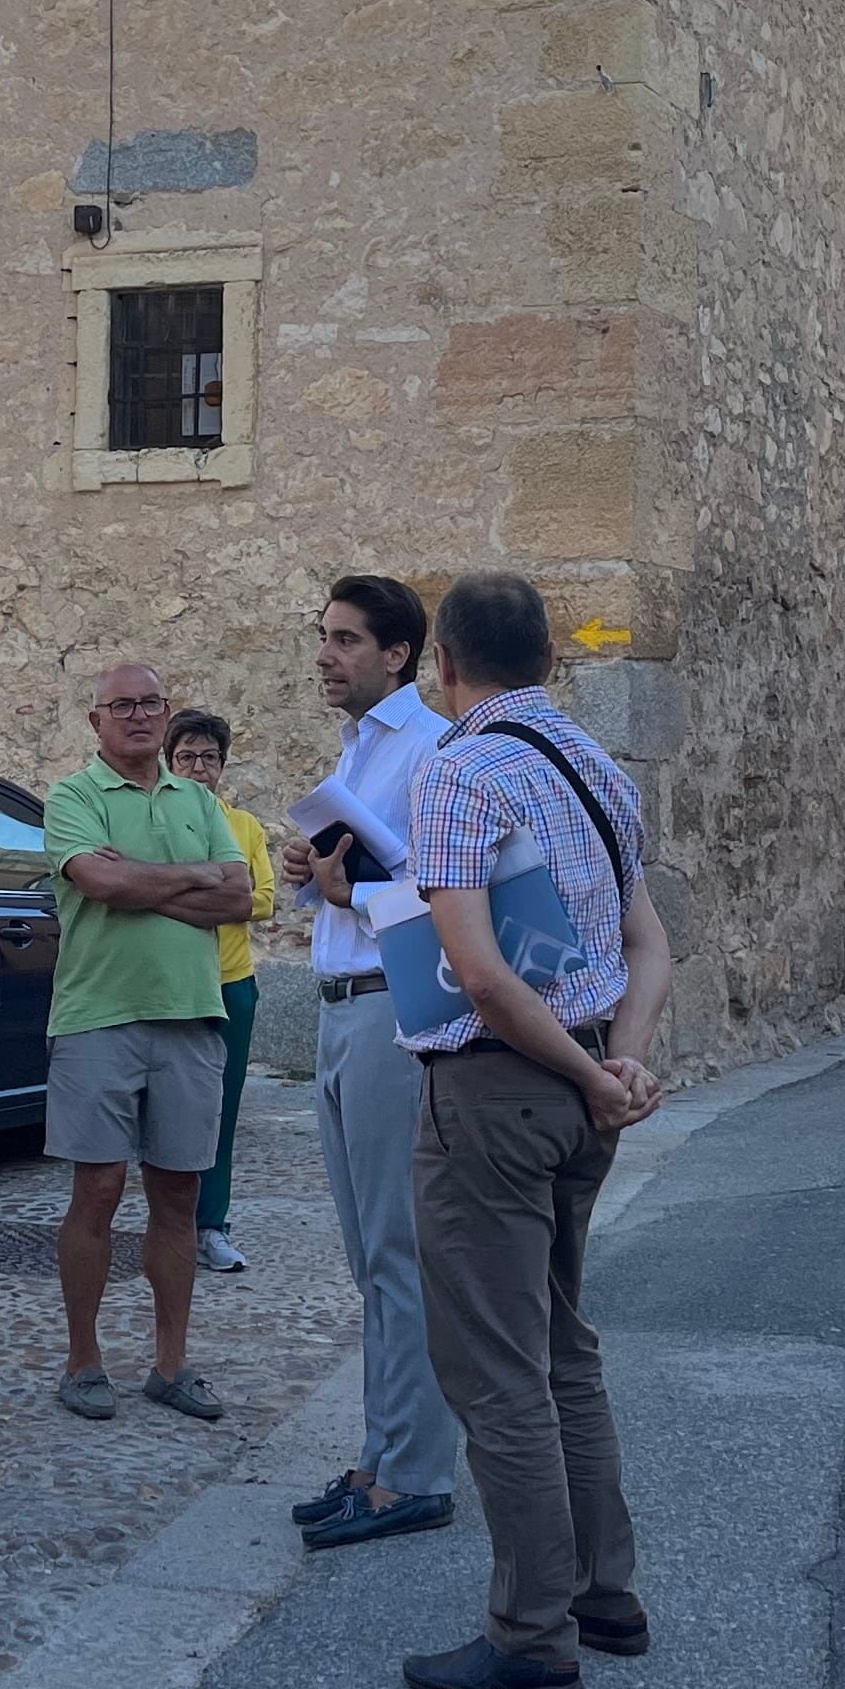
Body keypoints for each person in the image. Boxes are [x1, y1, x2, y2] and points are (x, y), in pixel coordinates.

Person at [395, 573, 675, 1689]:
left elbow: (476, 972)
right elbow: (649, 945)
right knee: (564, 1345)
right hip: (581, 1094)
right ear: (548, 657)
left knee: (496, 1367)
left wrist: (575, 1069)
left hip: (497, 1097)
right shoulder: (601, 770)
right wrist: (619, 1066)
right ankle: (606, 1591)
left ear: (446, 663)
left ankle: (530, 1633)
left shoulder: (457, 770)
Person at [290, 575, 462, 1552]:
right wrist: (322, 886)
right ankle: (379, 1457)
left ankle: (418, 1475)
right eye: (323, 637)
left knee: (403, 1255)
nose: (325, 655)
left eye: (346, 640)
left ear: (398, 656)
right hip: (339, 1008)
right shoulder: (360, 750)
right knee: (370, 1259)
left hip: (394, 1012)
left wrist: (348, 890)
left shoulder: (434, 752)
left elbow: (449, 905)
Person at [40, 660, 254, 1424]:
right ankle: (83, 1361)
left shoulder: (198, 797)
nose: (138, 715)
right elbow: (104, 887)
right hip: (98, 1016)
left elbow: (240, 898)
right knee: (96, 1191)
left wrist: (145, 878)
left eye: (151, 703)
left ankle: (170, 1363)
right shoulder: (72, 796)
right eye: (120, 705)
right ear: (96, 721)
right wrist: (185, 883)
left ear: (168, 714)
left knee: (180, 1194)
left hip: (192, 1015)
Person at [164, 709, 276, 1276]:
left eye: (209, 758)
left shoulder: (246, 828)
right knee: (167, 1116)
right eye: (187, 757)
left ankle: (212, 1226)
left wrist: (186, 891)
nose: (199, 768)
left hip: (232, 984)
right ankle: (169, 1227)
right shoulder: (155, 821)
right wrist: (214, 889)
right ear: (169, 763)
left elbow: (260, 899)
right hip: (169, 984)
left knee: (222, 1112)